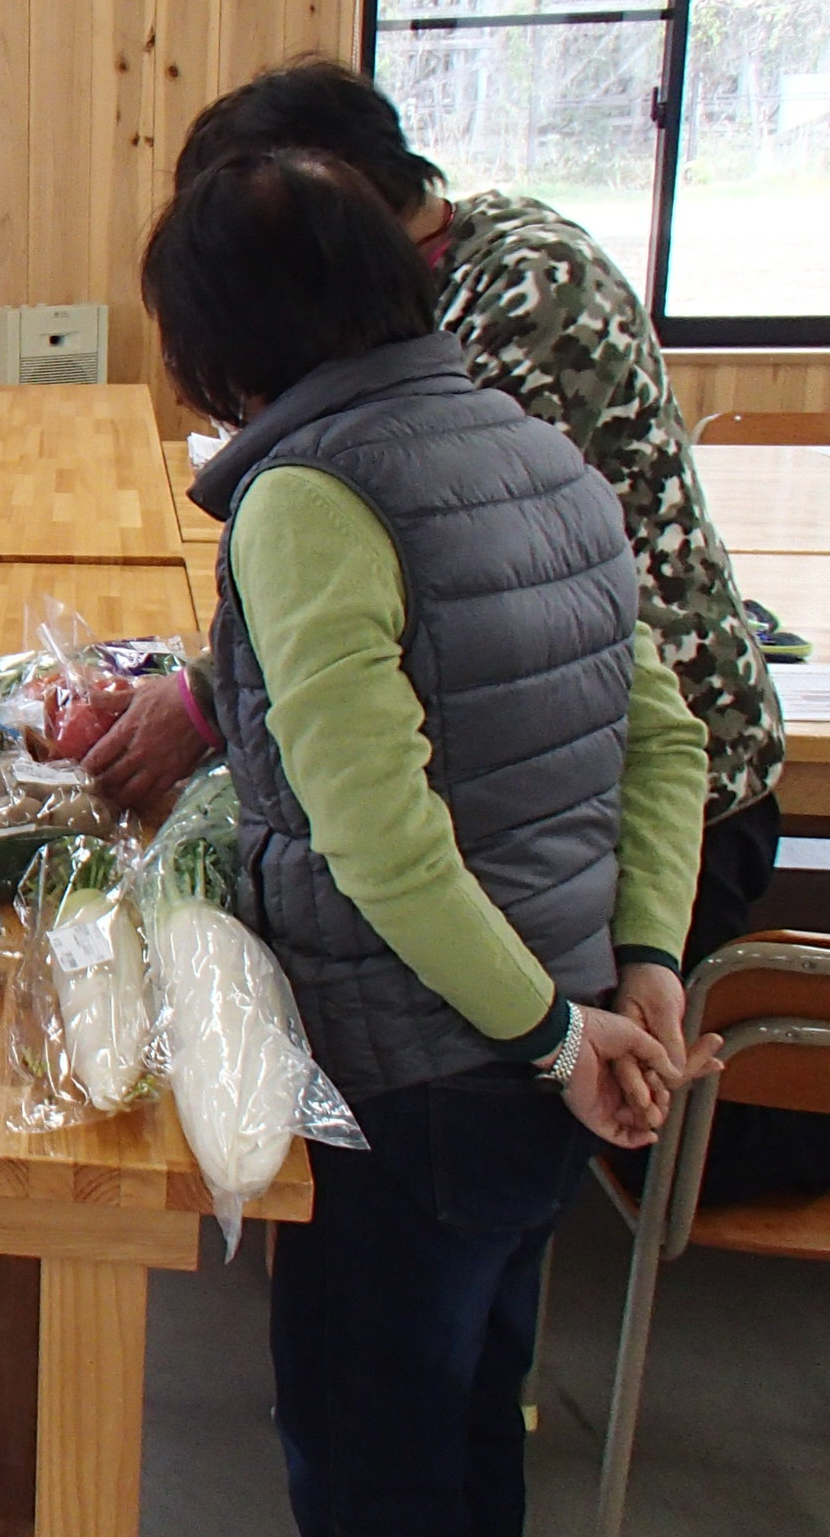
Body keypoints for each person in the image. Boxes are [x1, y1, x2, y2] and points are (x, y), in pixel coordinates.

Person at [145, 148, 716, 1537]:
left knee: (368, 1459)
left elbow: (381, 846)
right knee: (471, 1420)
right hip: (547, 1048)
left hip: (421, 1078)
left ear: (221, 336)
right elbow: (670, 738)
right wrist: (639, 968)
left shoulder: (308, 497)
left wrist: (558, 1040)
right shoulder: (540, 451)